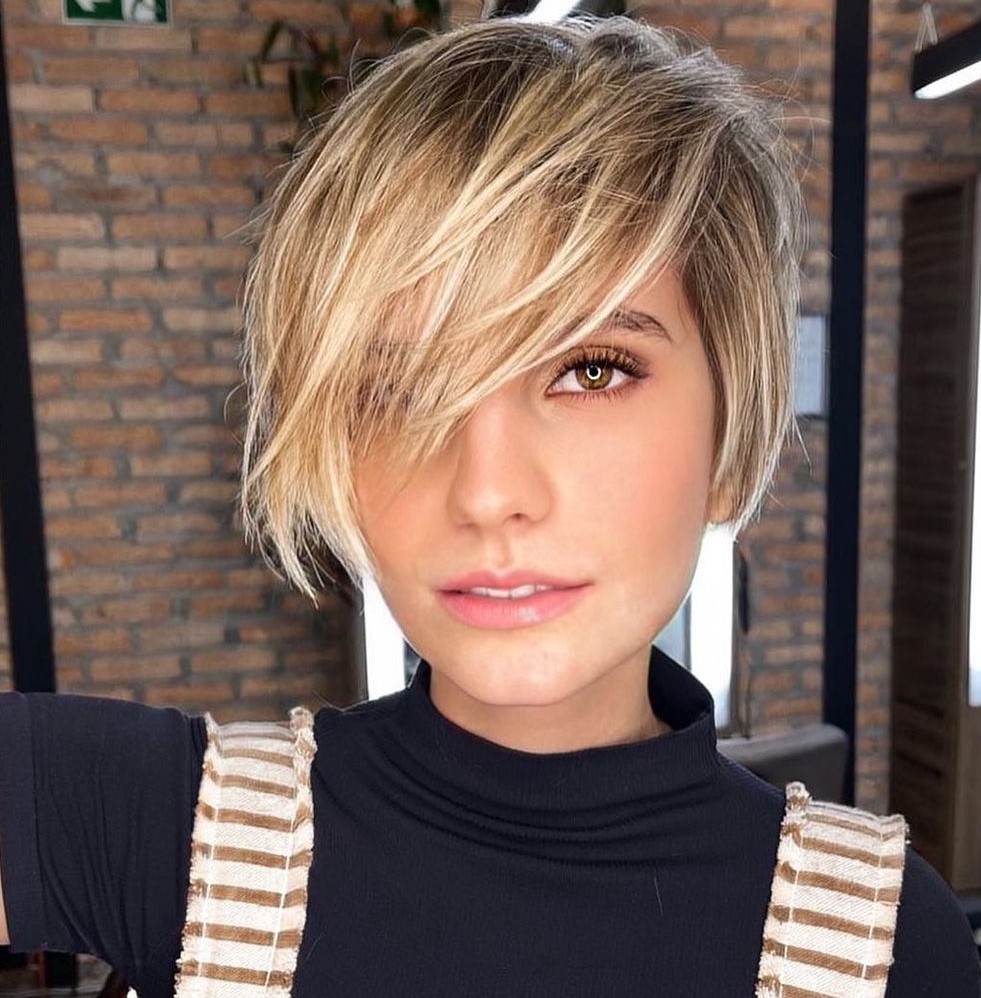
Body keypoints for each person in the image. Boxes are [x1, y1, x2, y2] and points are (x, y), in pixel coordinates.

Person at [1, 14, 979, 998]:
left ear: (729, 435)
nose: (486, 491)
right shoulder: (166, 827)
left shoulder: (882, 943)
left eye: (591, 369)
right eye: (400, 390)